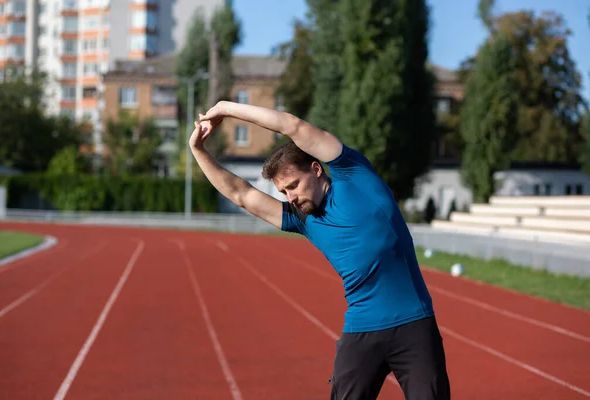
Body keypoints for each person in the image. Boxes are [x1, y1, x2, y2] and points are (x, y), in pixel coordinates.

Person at [190, 101, 450, 400]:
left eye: (293, 185)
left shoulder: (353, 174)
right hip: (361, 331)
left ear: (316, 169)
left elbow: (292, 126)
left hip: (414, 325)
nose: (291, 197)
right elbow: (241, 194)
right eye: (284, 192)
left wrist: (226, 107)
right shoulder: (301, 219)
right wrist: (199, 151)